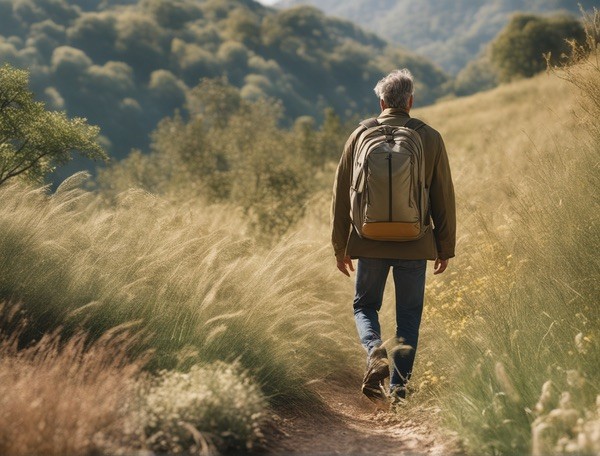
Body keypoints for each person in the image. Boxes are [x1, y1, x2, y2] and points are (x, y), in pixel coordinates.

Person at [330, 69, 456, 404]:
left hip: (368, 240)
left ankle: (375, 353)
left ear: (382, 101)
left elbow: (342, 193)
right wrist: (445, 247)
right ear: (410, 102)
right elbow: (443, 195)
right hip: (414, 243)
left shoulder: (359, 135)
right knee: (409, 316)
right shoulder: (429, 137)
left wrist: (340, 245)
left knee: (364, 306)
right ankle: (400, 391)